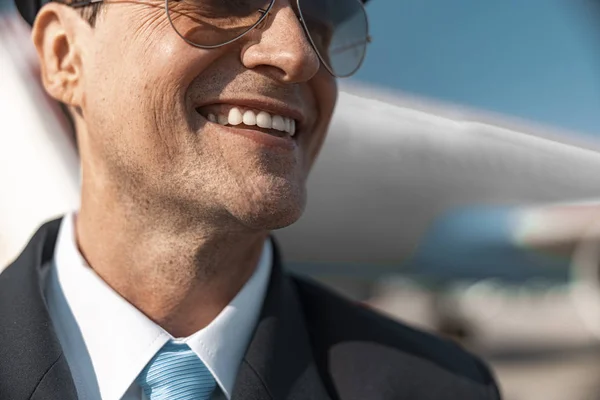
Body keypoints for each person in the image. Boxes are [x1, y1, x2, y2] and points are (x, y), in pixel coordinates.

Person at [0, 0, 501, 398]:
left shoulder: (446, 387)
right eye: (220, 2)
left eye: (323, 18)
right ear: (65, 55)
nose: (300, 54)